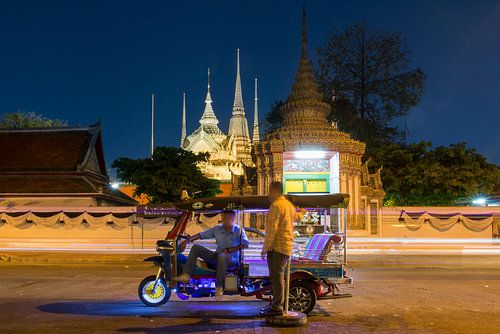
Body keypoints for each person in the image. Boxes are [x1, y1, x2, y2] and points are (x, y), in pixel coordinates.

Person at [174, 209, 249, 297]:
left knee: (222, 255)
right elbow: (201, 235)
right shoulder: (217, 228)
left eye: (228, 217)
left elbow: (245, 244)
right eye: (224, 217)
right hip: (217, 256)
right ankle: (186, 275)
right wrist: (187, 241)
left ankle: (219, 286)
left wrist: (229, 250)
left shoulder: (238, 230)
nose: (226, 220)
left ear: (233, 218)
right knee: (196, 248)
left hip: (231, 260)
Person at [260, 181, 306, 316]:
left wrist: (265, 248)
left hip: (277, 248)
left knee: (277, 278)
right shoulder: (289, 205)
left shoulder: (276, 205)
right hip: (286, 246)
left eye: (269, 191)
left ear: (274, 191)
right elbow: (297, 218)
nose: (268, 194)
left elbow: (271, 229)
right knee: (279, 277)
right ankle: (279, 304)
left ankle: (277, 306)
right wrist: (303, 210)